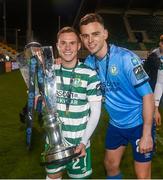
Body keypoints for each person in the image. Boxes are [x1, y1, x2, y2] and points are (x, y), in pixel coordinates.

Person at [79, 13, 155, 179]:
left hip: (138, 123)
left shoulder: (126, 59)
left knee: (142, 176)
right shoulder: (89, 64)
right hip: (116, 125)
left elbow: (148, 95)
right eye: (85, 36)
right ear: (81, 38)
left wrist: (147, 134)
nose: (90, 40)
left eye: (95, 34)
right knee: (110, 165)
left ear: (105, 34)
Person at [45, 26, 102, 179]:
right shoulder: (49, 72)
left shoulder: (90, 75)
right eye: (63, 43)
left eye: (72, 43)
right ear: (57, 46)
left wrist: (83, 142)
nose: (67, 47)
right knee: (53, 177)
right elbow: (44, 104)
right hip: (55, 140)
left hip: (79, 143)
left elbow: (96, 113)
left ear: (78, 46)